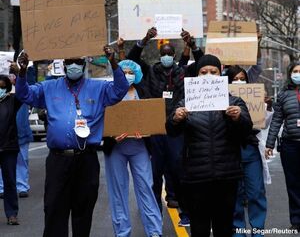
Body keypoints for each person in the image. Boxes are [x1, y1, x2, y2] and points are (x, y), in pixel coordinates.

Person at [15, 47, 129, 237]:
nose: (73, 66)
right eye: (70, 63)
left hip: (86, 160)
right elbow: (24, 94)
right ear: (64, 66)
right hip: (58, 160)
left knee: (83, 210)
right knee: (53, 209)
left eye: (77, 62)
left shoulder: (99, 88)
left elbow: (120, 89)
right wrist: (23, 70)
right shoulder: (49, 87)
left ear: (83, 65)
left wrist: (113, 61)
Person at [166, 54, 253, 237]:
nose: (208, 75)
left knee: (224, 227)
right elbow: (171, 131)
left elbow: (246, 131)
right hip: (196, 176)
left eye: (213, 72)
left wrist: (239, 118)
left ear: (221, 74)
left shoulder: (235, 102)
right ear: (196, 76)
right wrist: (176, 119)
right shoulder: (186, 103)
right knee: (199, 227)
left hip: (226, 175)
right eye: (203, 72)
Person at [128, 27, 203, 225]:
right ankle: (155, 218)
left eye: (170, 53)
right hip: (154, 131)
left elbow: (202, 64)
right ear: (160, 55)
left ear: (175, 55)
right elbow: (132, 60)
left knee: (179, 172)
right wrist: (145, 39)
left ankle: (185, 214)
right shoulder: (151, 72)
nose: (167, 56)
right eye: (164, 54)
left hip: (177, 131)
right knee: (154, 176)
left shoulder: (182, 73)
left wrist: (193, 45)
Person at [103, 59, 162, 237]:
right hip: (115, 148)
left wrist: (146, 131)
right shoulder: (109, 93)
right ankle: (122, 233)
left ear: (136, 74)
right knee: (118, 192)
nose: (127, 75)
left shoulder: (143, 92)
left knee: (146, 189)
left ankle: (154, 232)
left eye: (130, 72)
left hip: (139, 146)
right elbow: (100, 118)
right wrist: (112, 134)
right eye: (123, 72)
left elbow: (152, 117)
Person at [226, 65, 268, 237]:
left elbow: (262, 124)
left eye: (242, 78)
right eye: (234, 79)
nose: (239, 82)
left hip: (250, 150)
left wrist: (265, 107)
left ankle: (258, 232)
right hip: (229, 152)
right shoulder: (221, 100)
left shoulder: (254, 97)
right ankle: (238, 231)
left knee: (256, 192)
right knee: (234, 195)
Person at [265, 62, 300, 232]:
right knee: (293, 184)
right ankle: (296, 220)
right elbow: (276, 121)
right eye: (295, 71)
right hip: (290, 146)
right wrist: (269, 144)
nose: (297, 74)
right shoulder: (283, 95)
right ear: (290, 74)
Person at [0, 74, 21, 225]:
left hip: (8, 148)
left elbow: (23, 92)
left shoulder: (13, 101)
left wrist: (19, 75)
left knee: (10, 182)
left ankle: (12, 214)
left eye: (2, 87)